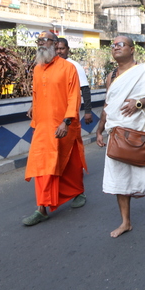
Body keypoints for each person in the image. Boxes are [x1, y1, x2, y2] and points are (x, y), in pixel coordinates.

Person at [96, 36, 145, 238]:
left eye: (121, 44)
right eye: (113, 45)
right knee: (119, 179)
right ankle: (126, 222)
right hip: (116, 133)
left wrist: (138, 103)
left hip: (139, 132)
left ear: (132, 49)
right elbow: (107, 105)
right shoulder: (111, 75)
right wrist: (99, 129)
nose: (116, 48)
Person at [23, 31, 87, 226]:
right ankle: (41, 208)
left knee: (69, 163)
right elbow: (37, 93)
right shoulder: (37, 69)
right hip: (42, 127)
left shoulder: (68, 68)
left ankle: (77, 192)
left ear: (54, 43)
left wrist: (66, 122)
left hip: (63, 125)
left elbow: (74, 97)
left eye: (45, 40)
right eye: (39, 41)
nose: (41, 44)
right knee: (42, 165)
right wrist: (33, 107)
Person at [56, 38, 93, 124]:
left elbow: (85, 89)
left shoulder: (74, 66)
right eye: (56, 49)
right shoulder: (51, 66)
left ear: (67, 49)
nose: (59, 51)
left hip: (70, 114)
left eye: (62, 48)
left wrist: (87, 112)